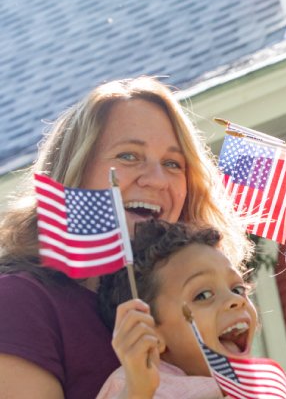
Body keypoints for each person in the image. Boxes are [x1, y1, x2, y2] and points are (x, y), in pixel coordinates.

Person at [0, 77, 252, 399]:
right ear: (75, 172)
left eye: (173, 163)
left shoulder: (190, 300)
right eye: (129, 156)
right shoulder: (19, 301)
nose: (158, 180)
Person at [96, 220, 286, 398]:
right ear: (149, 332)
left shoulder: (266, 383)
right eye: (203, 294)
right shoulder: (136, 385)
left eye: (237, 288)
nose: (235, 301)